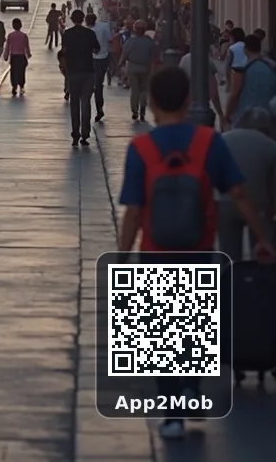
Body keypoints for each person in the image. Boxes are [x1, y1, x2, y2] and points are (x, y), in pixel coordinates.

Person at [118, 65, 275, 442]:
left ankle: (172, 409)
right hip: (199, 248)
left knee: (160, 332)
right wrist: (261, 236)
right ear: (189, 101)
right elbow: (239, 194)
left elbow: (135, 211)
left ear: (152, 103)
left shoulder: (141, 148)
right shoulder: (208, 142)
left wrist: (123, 255)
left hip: (156, 251)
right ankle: (189, 388)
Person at [217, 107, 276, 261]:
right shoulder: (270, 146)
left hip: (224, 203)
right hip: (259, 206)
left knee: (228, 256)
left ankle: (228, 281)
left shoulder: (223, 139)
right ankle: (259, 280)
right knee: (263, 253)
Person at [60, 9, 100, 147]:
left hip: (73, 72)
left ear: (72, 19)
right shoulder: (90, 33)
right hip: (88, 72)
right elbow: (97, 49)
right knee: (86, 103)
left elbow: (63, 51)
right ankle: (85, 134)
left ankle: (75, 134)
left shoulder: (67, 34)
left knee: (74, 103)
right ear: (83, 19)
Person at [224, 31, 276, 128]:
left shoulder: (241, 69)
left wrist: (227, 115)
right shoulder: (271, 67)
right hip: (269, 117)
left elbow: (234, 95)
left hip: (245, 118)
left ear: (245, 49)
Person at [121, 19, 155, 121]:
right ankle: (143, 112)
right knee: (143, 90)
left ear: (135, 29)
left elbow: (124, 54)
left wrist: (120, 63)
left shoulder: (131, 41)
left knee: (134, 90)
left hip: (132, 67)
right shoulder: (149, 42)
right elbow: (153, 56)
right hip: (145, 68)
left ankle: (135, 111)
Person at [87, 10, 113, 123]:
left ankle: (96, 108)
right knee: (98, 84)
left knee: (93, 85)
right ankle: (99, 108)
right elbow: (110, 39)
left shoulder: (87, 30)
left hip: (91, 59)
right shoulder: (104, 26)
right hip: (103, 57)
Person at [3, 17, 31, 96]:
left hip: (14, 57)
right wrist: (28, 55)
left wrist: (6, 56)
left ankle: (14, 86)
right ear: (21, 25)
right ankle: (21, 86)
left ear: (13, 26)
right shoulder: (24, 36)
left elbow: (7, 47)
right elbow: (26, 47)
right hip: (21, 57)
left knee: (14, 72)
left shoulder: (10, 36)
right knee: (21, 72)